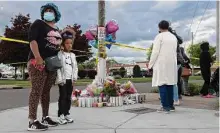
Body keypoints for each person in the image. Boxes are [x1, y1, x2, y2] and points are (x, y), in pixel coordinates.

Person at [27, 3, 62, 131]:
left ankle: (45, 117)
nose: (48, 12)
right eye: (46, 10)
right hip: (38, 62)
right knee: (36, 90)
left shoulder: (57, 29)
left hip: (51, 64)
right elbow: (32, 40)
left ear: (55, 13)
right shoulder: (38, 24)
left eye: (51, 10)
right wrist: (37, 57)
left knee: (46, 92)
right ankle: (32, 121)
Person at [148, 20, 177, 113]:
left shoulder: (159, 37)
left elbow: (155, 52)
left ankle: (165, 106)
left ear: (159, 27)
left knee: (162, 83)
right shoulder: (173, 37)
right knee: (170, 83)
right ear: (168, 27)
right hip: (172, 62)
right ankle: (171, 105)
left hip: (161, 63)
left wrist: (150, 65)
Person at [56, 30, 78, 125]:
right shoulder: (60, 54)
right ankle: (61, 115)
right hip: (63, 80)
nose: (69, 45)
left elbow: (75, 68)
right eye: (67, 43)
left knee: (68, 97)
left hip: (70, 80)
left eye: (71, 43)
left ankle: (66, 113)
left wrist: (74, 78)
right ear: (63, 44)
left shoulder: (73, 55)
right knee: (63, 97)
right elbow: (58, 68)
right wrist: (60, 79)